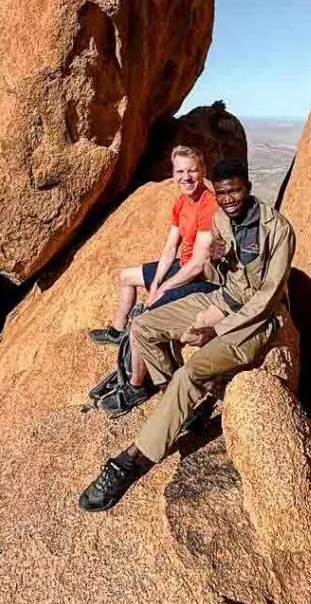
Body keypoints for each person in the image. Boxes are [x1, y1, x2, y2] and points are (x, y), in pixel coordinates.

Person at [79, 157, 296, 512]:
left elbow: (267, 297)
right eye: (222, 193)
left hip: (253, 322)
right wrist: (216, 259)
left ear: (248, 187)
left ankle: (130, 461)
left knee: (190, 374)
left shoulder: (278, 229)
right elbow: (220, 277)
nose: (228, 199)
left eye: (235, 191)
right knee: (144, 326)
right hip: (221, 299)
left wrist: (216, 328)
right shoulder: (223, 218)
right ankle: (176, 402)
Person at [87, 145, 219, 413]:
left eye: (192, 171)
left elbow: (199, 264)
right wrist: (156, 282)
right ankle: (117, 331)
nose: (186, 177)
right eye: (180, 171)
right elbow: (170, 247)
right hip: (182, 266)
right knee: (126, 276)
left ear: (203, 170)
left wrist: (164, 288)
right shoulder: (181, 202)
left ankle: (136, 386)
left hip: (202, 278)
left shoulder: (210, 205)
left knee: (144, 322)